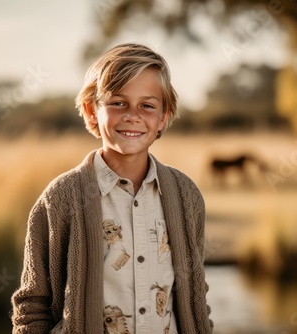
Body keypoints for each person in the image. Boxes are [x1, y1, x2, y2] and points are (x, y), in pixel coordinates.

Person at [11, 43, 213, 334]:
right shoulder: (60, 199)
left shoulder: (186, 196)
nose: (133, 115)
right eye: (118, 102)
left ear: (164, 116)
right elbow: (32, 306)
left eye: (147, 105)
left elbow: (196, 297)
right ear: (92, 111)